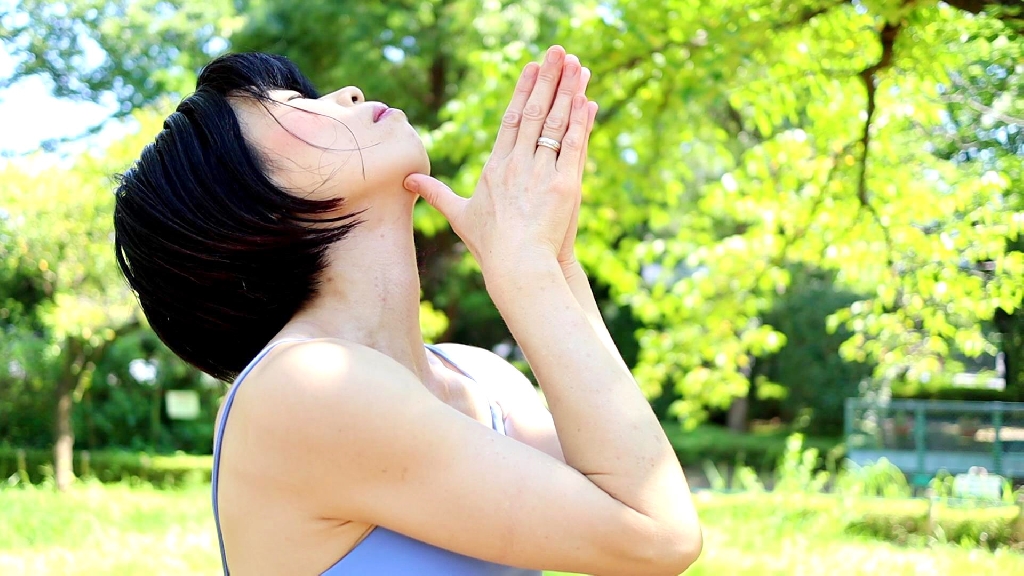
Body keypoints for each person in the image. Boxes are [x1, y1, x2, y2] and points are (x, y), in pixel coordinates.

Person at [113, 45, 701, 575]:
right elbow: (656, 539)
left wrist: (553, 261)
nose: (347, 95)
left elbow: (629, 490)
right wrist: (521, 273)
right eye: (292, 105)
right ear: (237, 203)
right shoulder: (302, 387)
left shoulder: (488, 382)